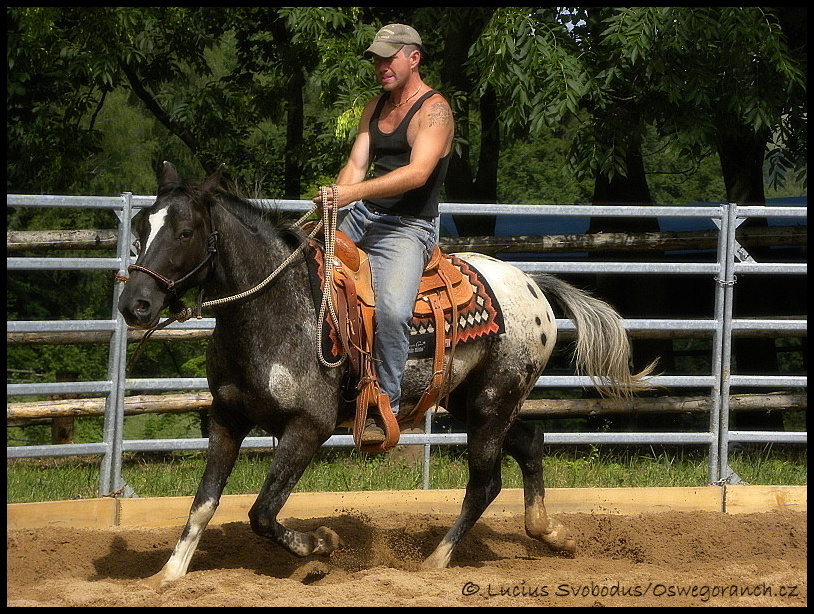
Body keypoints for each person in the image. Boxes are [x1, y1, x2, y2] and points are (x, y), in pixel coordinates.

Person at [314, 23, 454, 442]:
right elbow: (356, 165)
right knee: (300, 271)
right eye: (376, 58)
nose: (381, 66)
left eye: (389, 57)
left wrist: (351, 193)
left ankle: (385, 406)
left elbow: (417, 174)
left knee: (393, 312)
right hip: (362, 215)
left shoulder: (435, 111)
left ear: (414, 58)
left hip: (408, 228)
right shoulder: (374, 107)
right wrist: (338, 201)